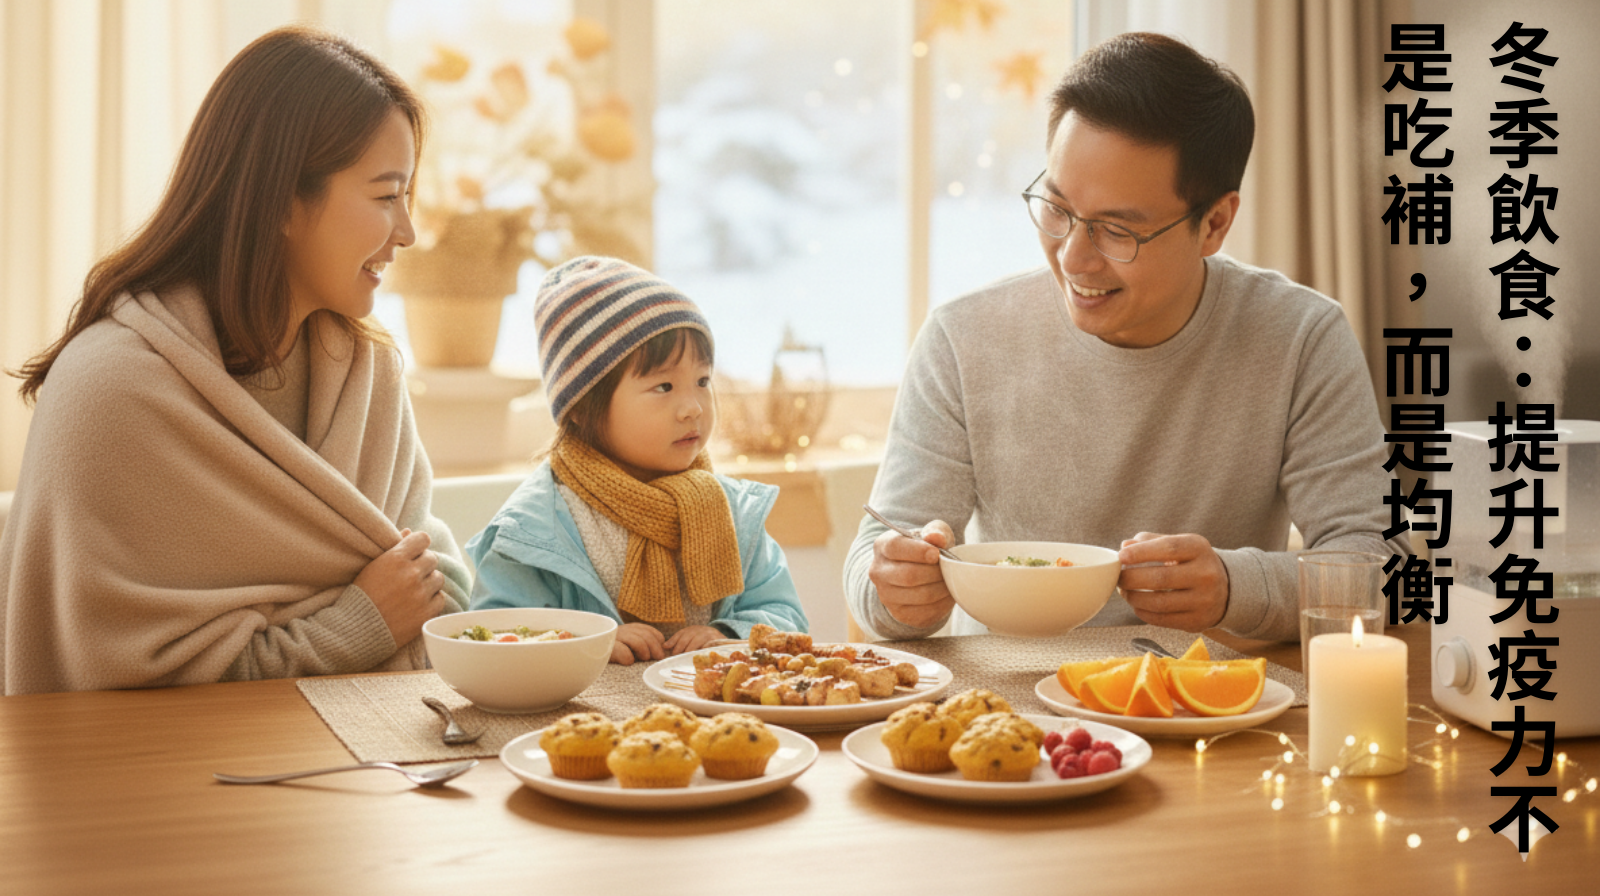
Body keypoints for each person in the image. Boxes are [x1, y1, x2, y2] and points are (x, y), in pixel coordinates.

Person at [846, 32, 1409, 642]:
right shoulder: (963, 338)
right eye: (1057, 208)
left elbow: (1391, 570)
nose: (1073, 258)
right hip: (1012, 709)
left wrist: (1232, 586)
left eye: (1118, 231)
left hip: (1214, 707)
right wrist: (898, 590)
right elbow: (877, 552)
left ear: (1215, 223)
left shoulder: (1300, 337)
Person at [0, 26, 469, 694]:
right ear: (282, 199)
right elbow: (118, 676)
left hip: (358, 769)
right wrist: (356, 623)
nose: (408, 232)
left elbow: (436, 588)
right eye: (385, 195)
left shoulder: (370, 375)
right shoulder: (111, 395)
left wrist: (346, 617)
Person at [466, 256, 808, 665]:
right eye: (663, 386)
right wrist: (584, 642)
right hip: (583, 722)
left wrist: (727, 635)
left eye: (702, 381)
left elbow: (787, 619)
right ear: (581, 406)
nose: (693, 408)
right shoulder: (534, 528)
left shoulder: (732, 511)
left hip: (710, 721)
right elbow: (493, 638)